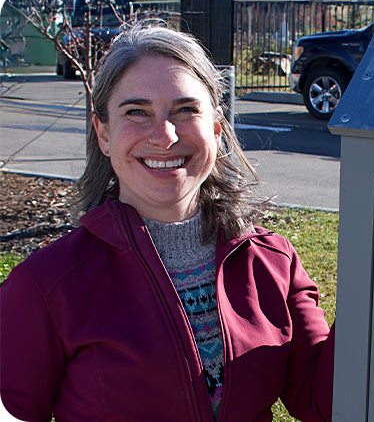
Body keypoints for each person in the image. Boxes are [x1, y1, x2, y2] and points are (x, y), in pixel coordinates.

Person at [0, 21, 334, 422]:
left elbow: (323, 401)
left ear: (215, 127)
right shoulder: (46, 284)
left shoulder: (274, 262)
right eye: (137, 112)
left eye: (185, 109)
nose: (165, 135)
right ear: (103, 133)